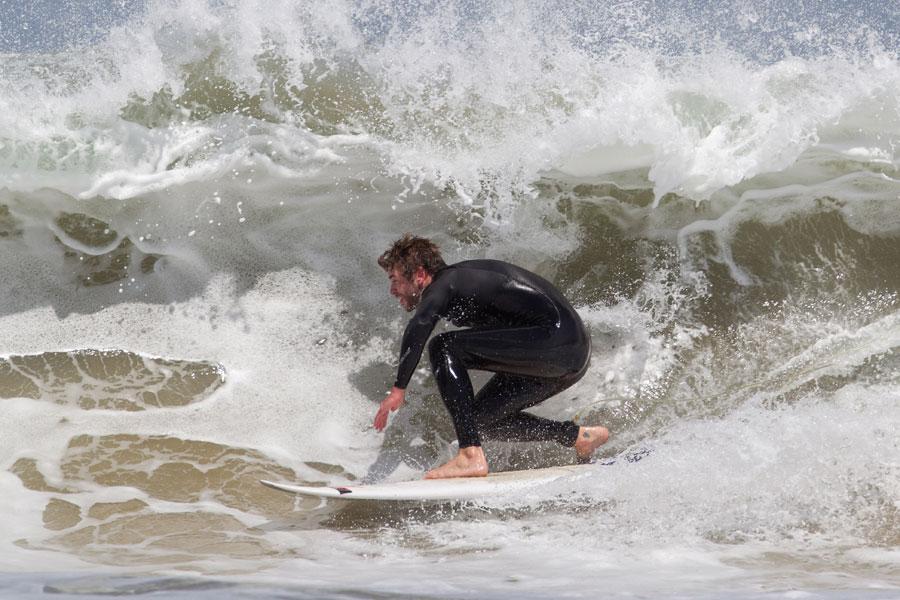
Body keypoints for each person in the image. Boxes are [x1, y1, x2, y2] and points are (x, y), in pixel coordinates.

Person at [373, 234, 609, 479]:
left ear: (420, 275)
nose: (392, 290)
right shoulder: (458, 283)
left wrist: (399, 388)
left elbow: (419, 324)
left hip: (559, 342)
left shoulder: (446, 282)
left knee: (443, 347)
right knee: (481, 421)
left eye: (395, 280)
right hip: (564, 353)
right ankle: (579, 437)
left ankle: (469, 456)